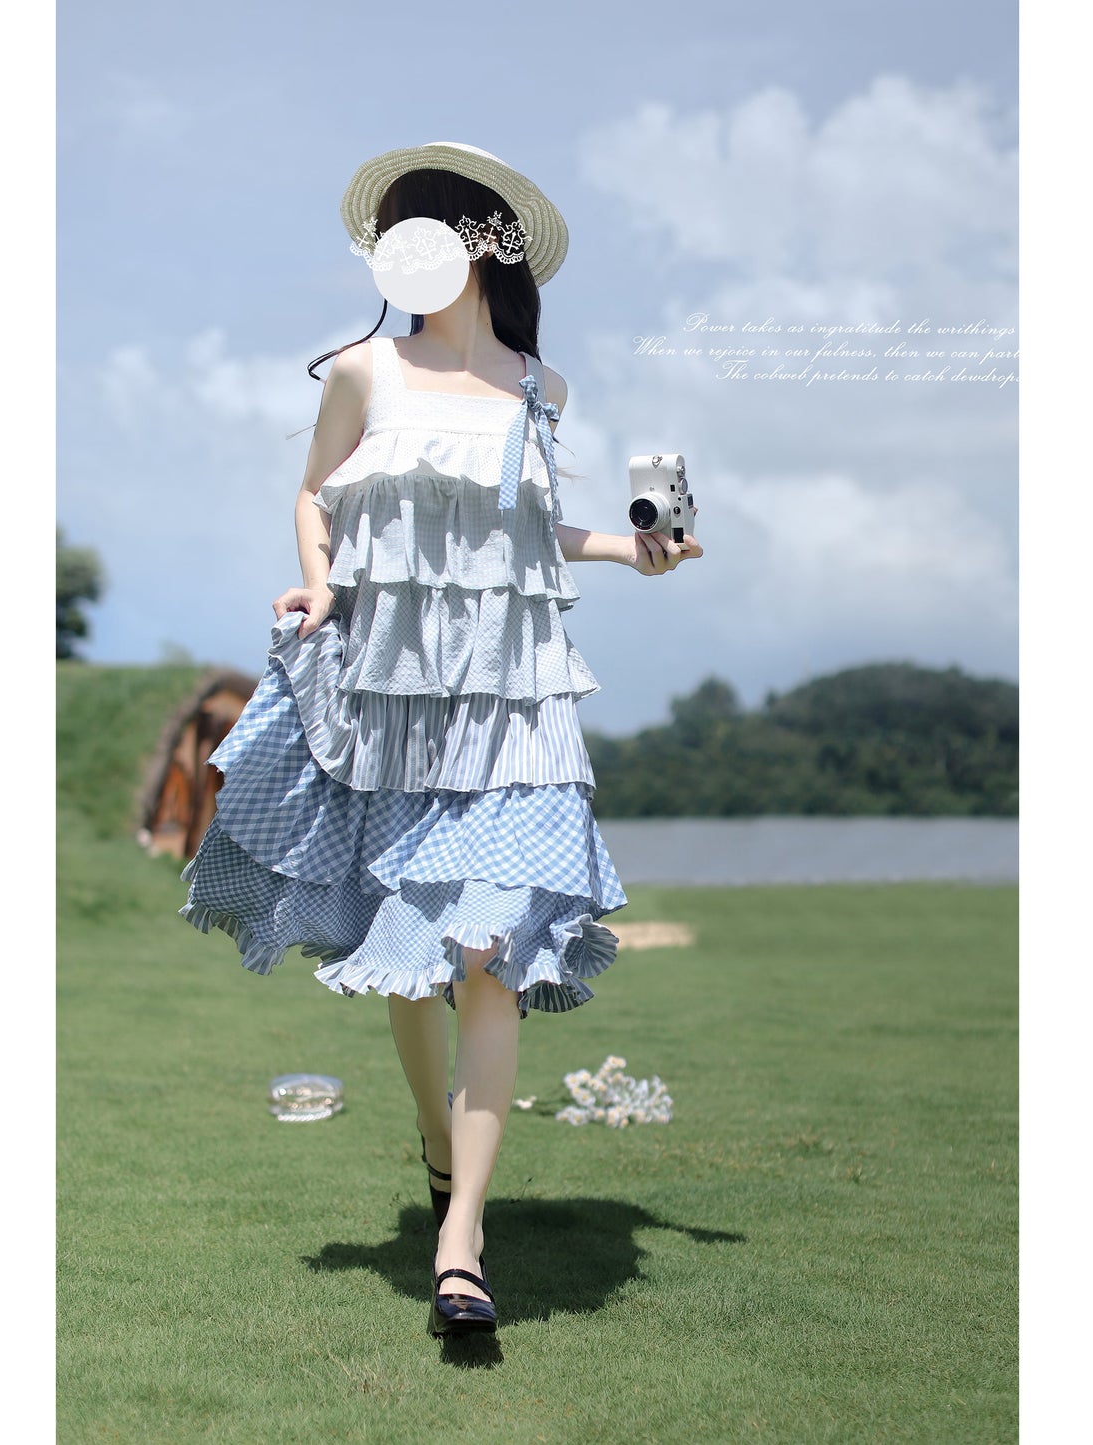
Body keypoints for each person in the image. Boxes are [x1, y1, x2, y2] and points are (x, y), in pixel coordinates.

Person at [178, 142, 704, 1338]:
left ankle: (460, 1235)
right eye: (397, 223)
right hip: (391, 698)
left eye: (432, 218)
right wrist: (320, 584)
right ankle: (433, 1136)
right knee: (405, 950)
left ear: (486, 241)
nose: (409, 241)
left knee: (486, 947)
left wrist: (631, 549)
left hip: (512, 703)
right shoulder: (363, 370)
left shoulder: (537, 386)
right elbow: (314, 491)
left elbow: (523, 533)